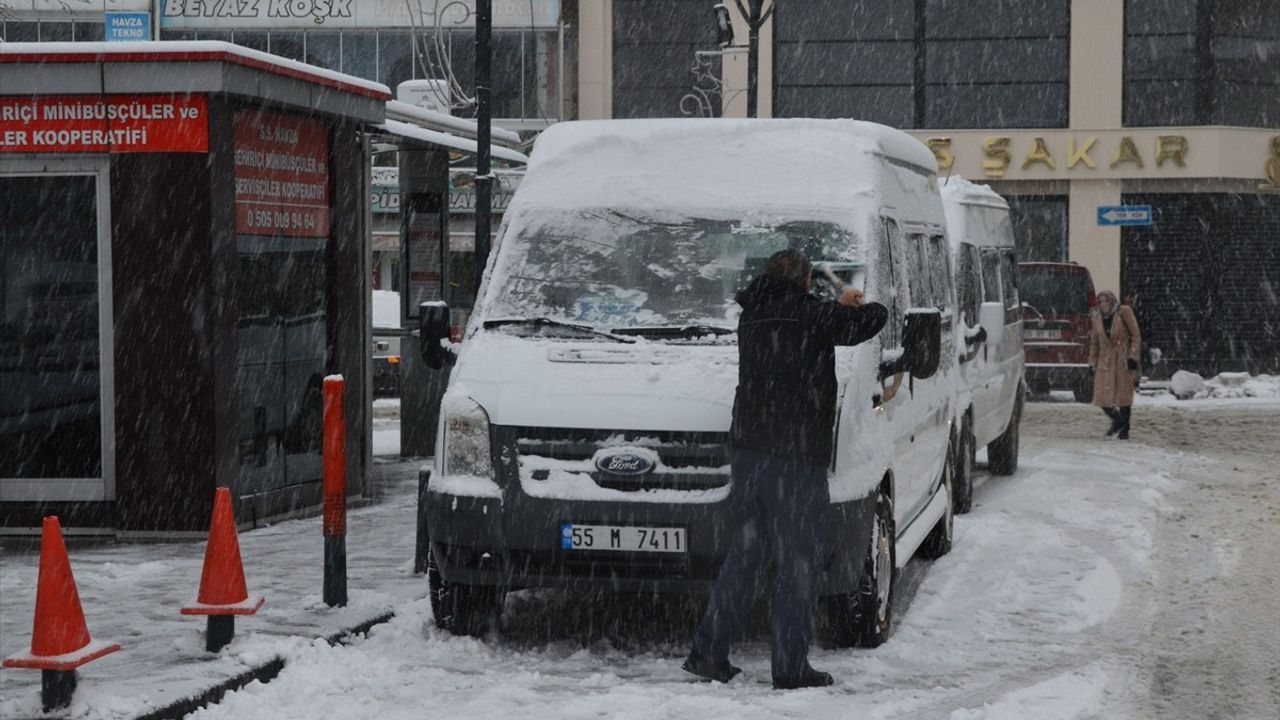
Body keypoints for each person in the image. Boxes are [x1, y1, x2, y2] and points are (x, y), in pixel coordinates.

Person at [682, 248, 888, 690]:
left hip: (748, 452)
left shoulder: (751, 315)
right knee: (799, 562)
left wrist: (832, 309)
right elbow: (871, 322)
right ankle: (790, 666)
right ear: (804, 280)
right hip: (793, 457)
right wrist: (856, 301)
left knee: (746, 556)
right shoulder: (809, 314)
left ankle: (708, 651)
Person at [1089, 290, 1141, 439]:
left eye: (1105, 301)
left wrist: (1133, 356)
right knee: (1102, 396)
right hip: (1105, 361)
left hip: (1122, 359)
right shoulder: (1097, 317)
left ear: (1111, 301)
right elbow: (1094, 342)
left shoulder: (1123, 311)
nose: (1102, 304)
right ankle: (1117, 420)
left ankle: (1125, 428)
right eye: (1099, 302)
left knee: (1123, 395)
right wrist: (1092, 361)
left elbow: (1135, 334)